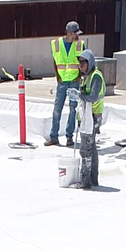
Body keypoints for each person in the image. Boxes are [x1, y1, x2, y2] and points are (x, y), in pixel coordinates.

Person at [46, 20, 85, 147]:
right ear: (69, 33)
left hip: (74, 82)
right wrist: (57, 77)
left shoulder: (80, 44)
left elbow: (83, 63)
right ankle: (54, 137)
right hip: (62, 82)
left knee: (73, 110)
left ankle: (69, 137)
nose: (77, 36)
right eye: (75, 33)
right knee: (57, 110)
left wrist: (79, 76)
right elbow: (55, 61)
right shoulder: (56, 44)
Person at [76, 49, 105, 189]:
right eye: (79, 63)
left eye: (83, 63)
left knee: (86, 149)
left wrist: (79, 96)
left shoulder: (96, 76)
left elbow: (93, 97)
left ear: (90, 63)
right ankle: (93, 178)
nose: (80, 66)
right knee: (91, 148)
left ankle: (85, 180)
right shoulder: (87, 77)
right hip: (87, 115)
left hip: (92, 116)